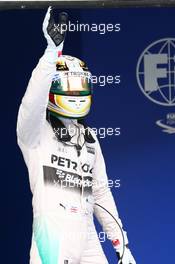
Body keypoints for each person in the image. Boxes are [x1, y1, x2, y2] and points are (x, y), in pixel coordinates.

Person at [17, 7, 136, 264]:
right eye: (68, 84)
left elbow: (101, 194)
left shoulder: (90, 137)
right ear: (53, 88)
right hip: (53, 234)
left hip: (88, 234)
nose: (76, 91)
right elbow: (31, 103)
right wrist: (51, 55)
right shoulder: (35, 133)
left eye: (81, 84)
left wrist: (122, 244)